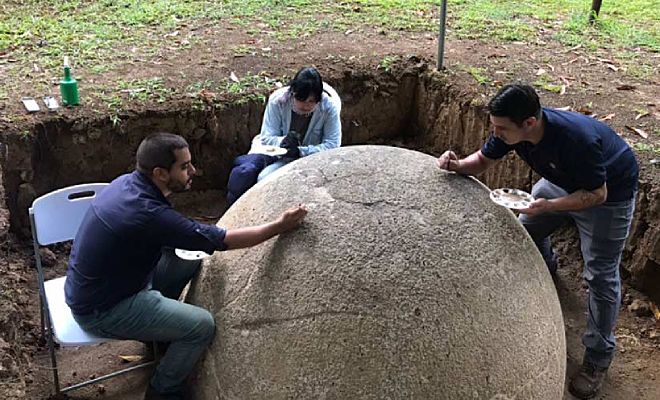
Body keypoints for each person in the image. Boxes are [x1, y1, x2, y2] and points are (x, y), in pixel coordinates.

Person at [64, 133, 307, 400]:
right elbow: (222, 240)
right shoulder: (149, 215)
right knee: (202, 326)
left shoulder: (126, 184)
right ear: (160, 173)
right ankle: (163, 390)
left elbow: (168, 234)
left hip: (101, 284)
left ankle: (157, 335)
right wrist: (279, 226)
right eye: (184, 166)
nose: (194, 171)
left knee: (186, 261)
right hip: (102, 308)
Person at [436, 84, 638, 400]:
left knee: (600, 276)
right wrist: (456, 165)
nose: (497, 134)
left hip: (609, 196)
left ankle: (597, 360)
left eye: (502, 129)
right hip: (560, 182)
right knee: (524, 232)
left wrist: (550, 207)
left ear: (529, 123)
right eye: (494, 127)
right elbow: (483, 160)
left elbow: (597, 194)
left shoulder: (576, 142)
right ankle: (547, 265)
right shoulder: (511, 131)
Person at [226, 66, 342, 205]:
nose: (306, 106)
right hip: (270, 152)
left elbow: (333, 144)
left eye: (311, 101)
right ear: (292, 93)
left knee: (265, 179)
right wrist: (284, 142)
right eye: (301, 100)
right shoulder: (278, 101)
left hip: (308, 159)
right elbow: (267, 137)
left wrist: (301, 151)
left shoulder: (328, 108)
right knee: (244, 173)